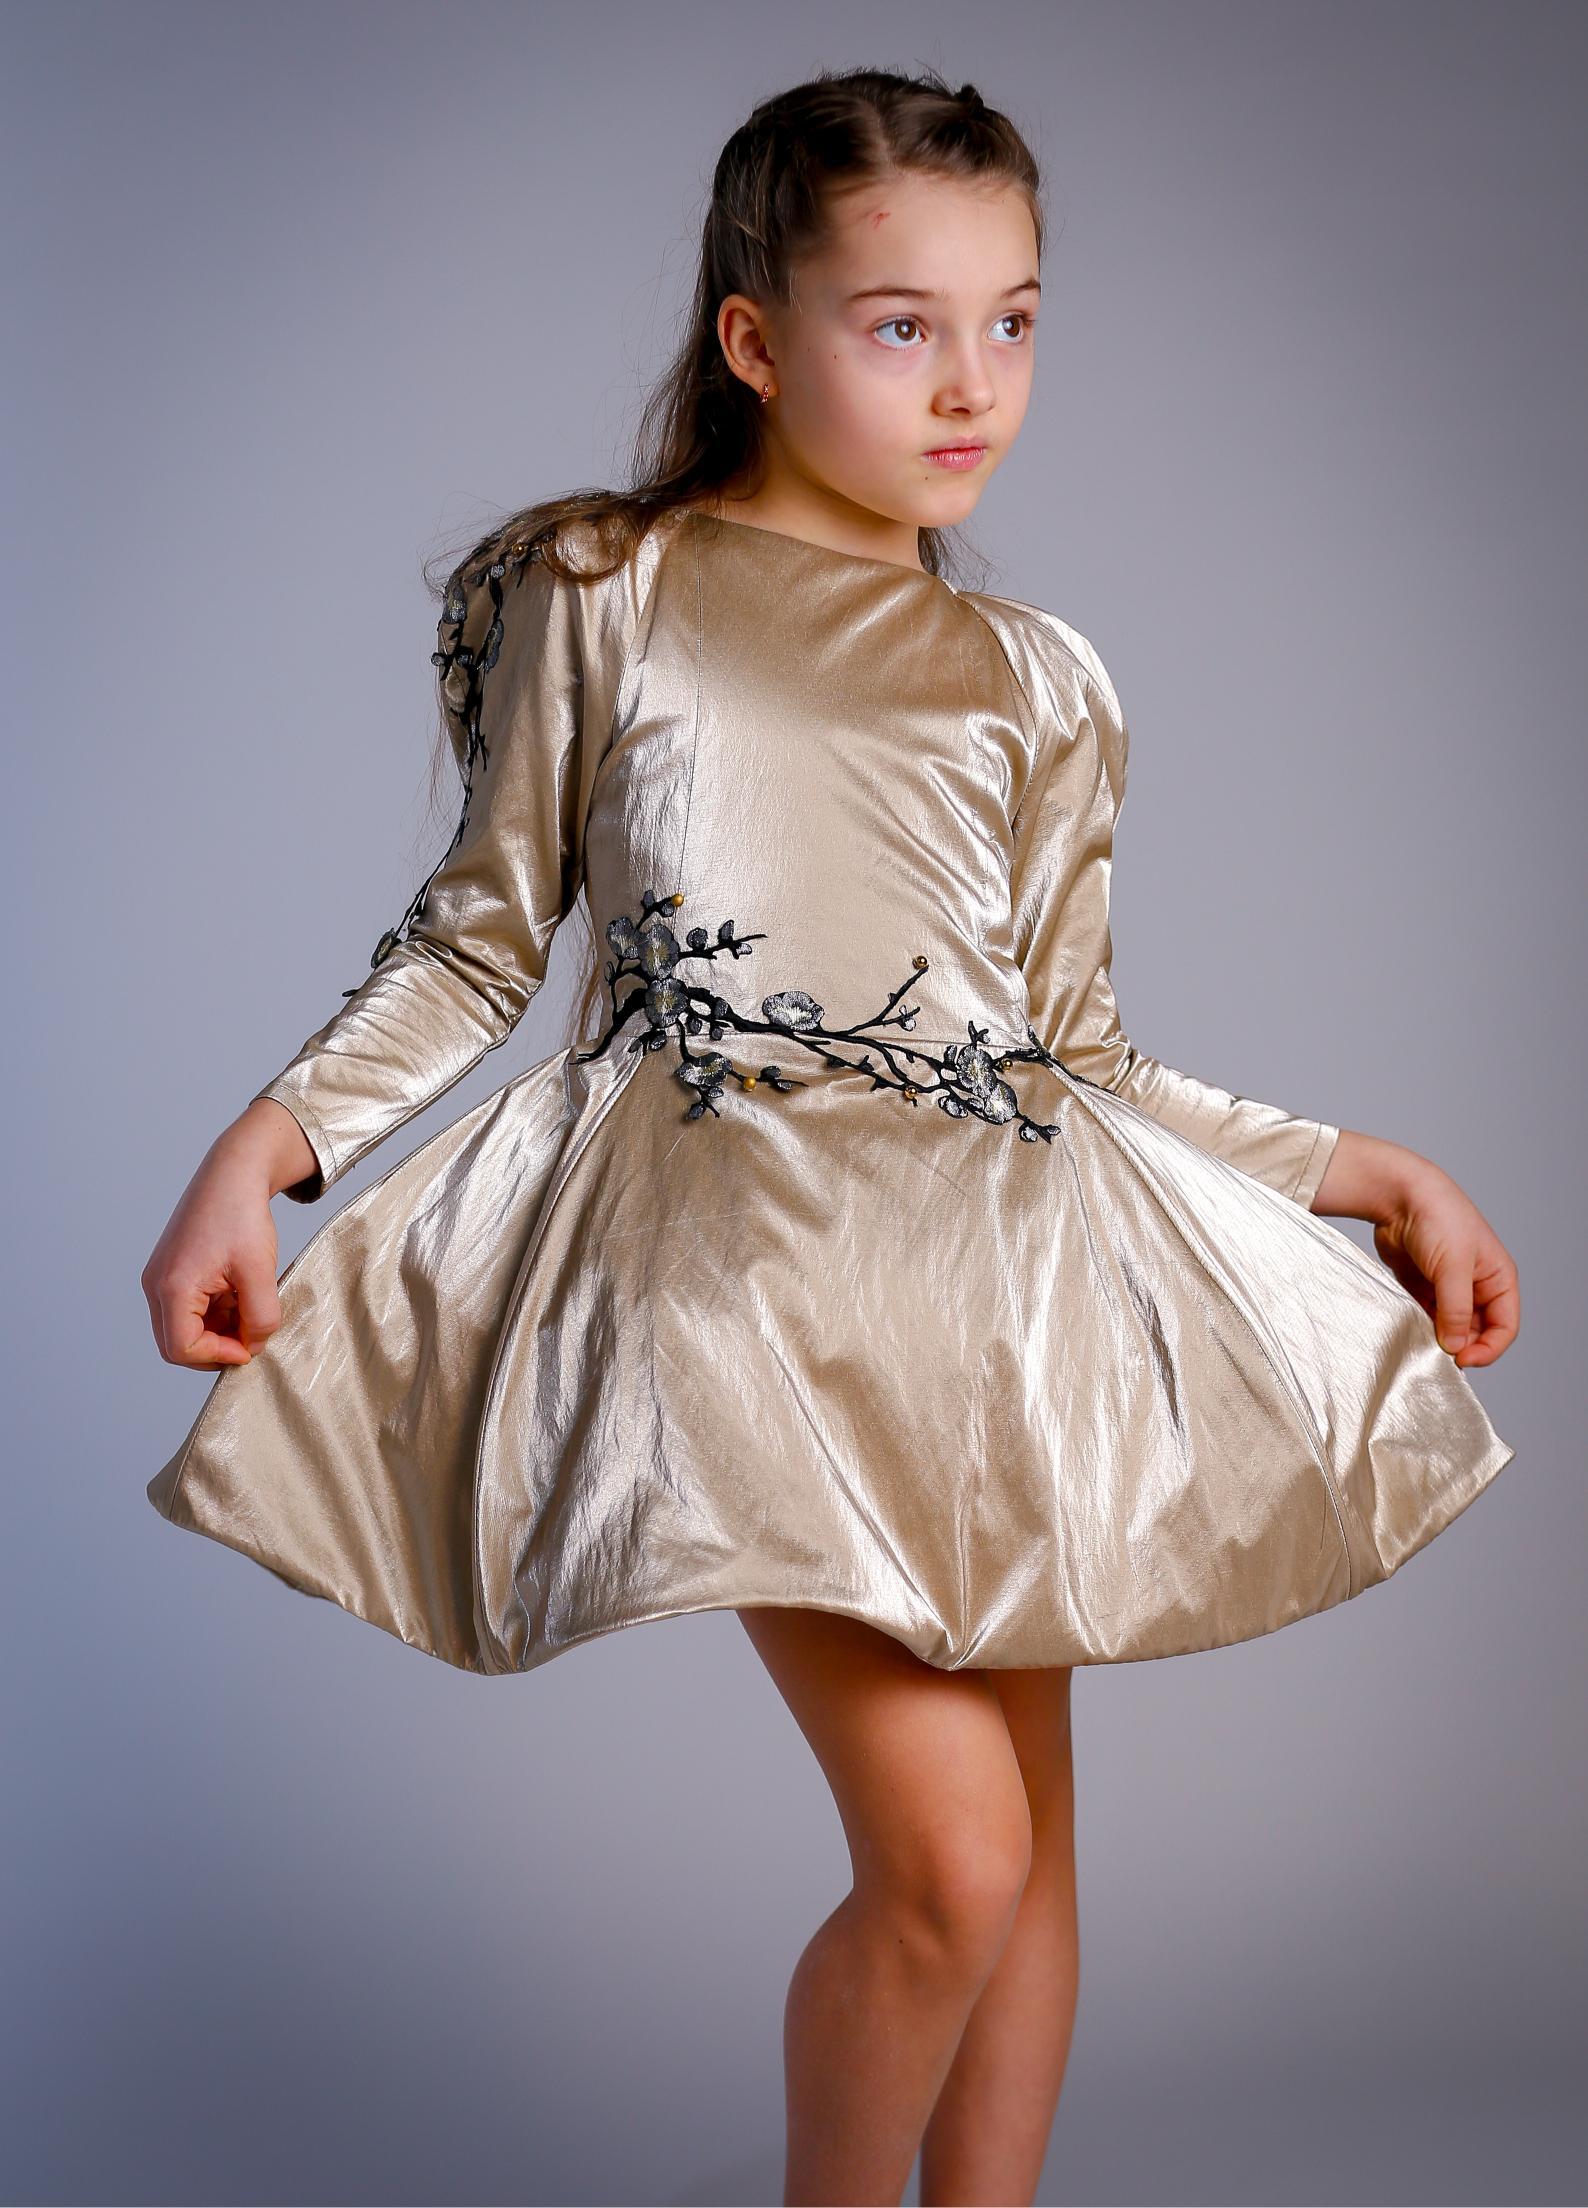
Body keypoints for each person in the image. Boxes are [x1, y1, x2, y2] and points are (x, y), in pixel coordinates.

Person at [140, 65, 1520, 2208]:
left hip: (1004, 1280)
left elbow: (1069, 1056)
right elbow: (477, 943)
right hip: (746, 1273)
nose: (972, 384)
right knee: (949, 1862)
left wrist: (1363, 1171)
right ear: (755, 339)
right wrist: (265, 1152)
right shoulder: (603, 585)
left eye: (1013, 320)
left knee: (1030, 1861)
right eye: (901, 325)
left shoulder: (1039, 677)